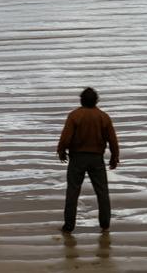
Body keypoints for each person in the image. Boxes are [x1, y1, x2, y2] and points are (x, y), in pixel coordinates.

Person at [57, 87, 120, 233]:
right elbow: (113, 140)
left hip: (77, 158)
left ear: (81, 100)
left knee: (72, 191)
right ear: (96, 100)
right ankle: (105, 225)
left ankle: (69, 226)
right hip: (97, 159)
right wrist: (114, 157)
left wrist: (61, 151)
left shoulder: (74, 116)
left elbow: (66, 137)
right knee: (102, 192)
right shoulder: (103, 117)